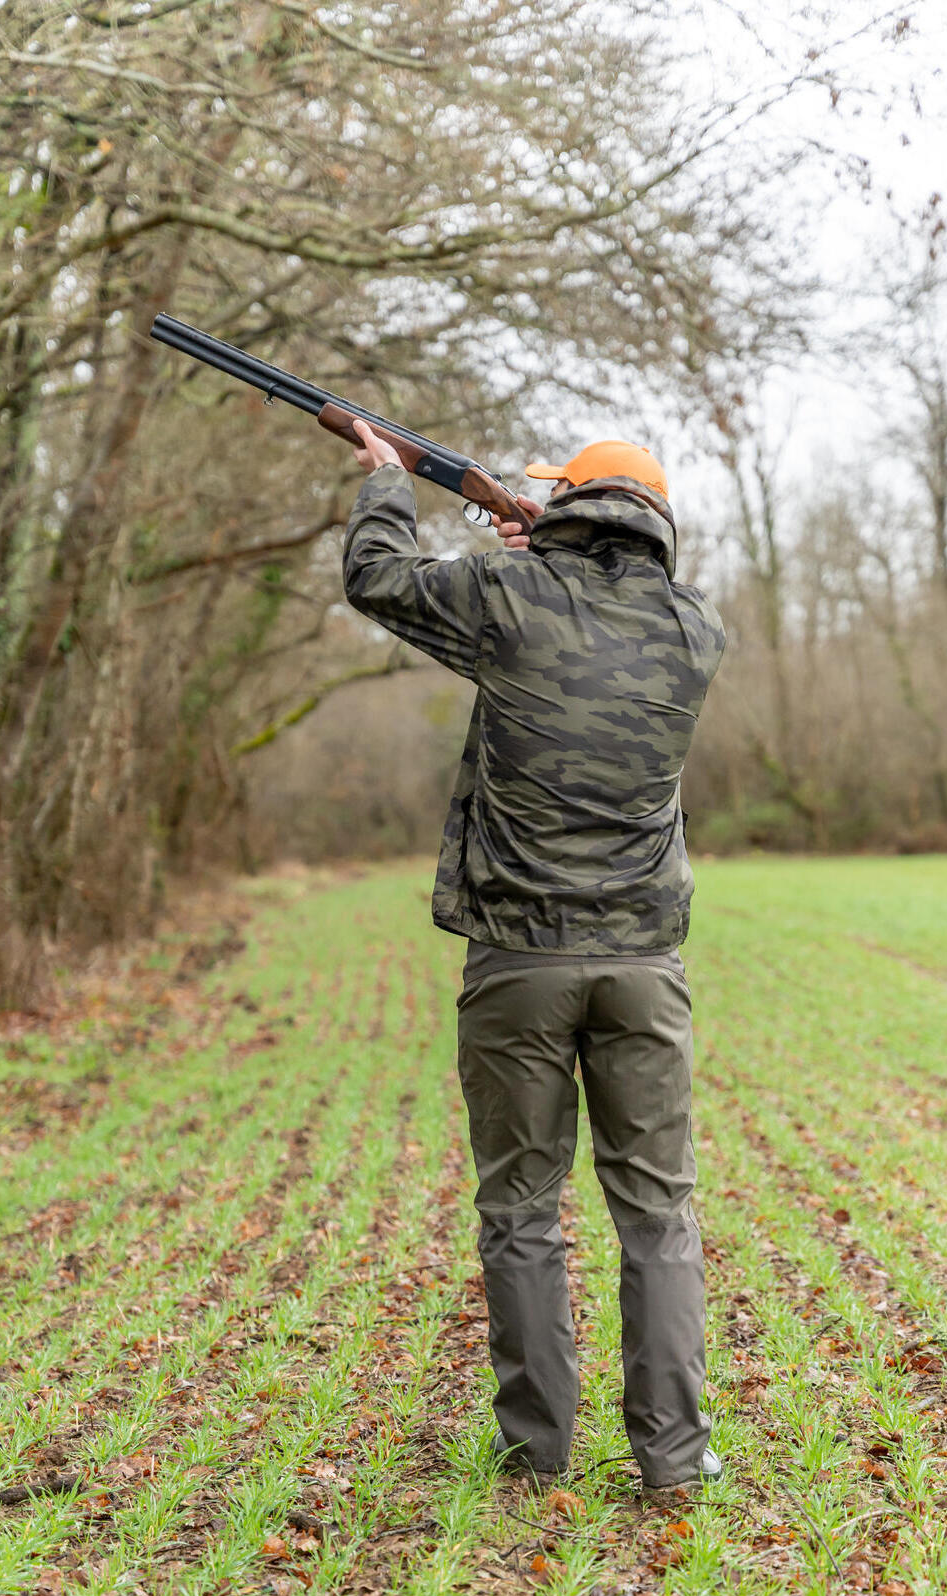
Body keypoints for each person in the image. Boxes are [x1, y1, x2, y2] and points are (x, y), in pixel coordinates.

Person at [340, 421, 726, 1498]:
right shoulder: (695, 629)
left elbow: (378, 575)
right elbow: (585, 613)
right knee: (654, 1213)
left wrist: (384, 479)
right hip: (643, 960)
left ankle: (535, 1450)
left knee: (520, 1205)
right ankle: (673, 1456)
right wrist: (537, 539)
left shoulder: (508, 605)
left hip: (518, 958)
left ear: (565, 510)